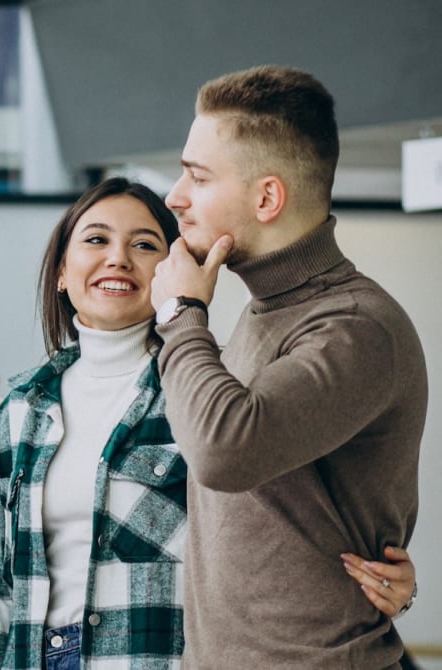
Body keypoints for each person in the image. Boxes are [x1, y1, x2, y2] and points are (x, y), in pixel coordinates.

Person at [0, 178, 415, 669]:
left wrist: (387, 583)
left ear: (170, 273)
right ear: (60, 272)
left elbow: (292, 535)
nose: (118, 258)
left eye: (144, 245)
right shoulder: (16, 415)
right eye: (96, 240)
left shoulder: (212, 394)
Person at [150, 65, 425, 668]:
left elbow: (226, 452)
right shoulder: (266, 309)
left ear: (267, 197)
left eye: (197, 176)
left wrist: (180, 311)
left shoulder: (356, 326)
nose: (175, 195)